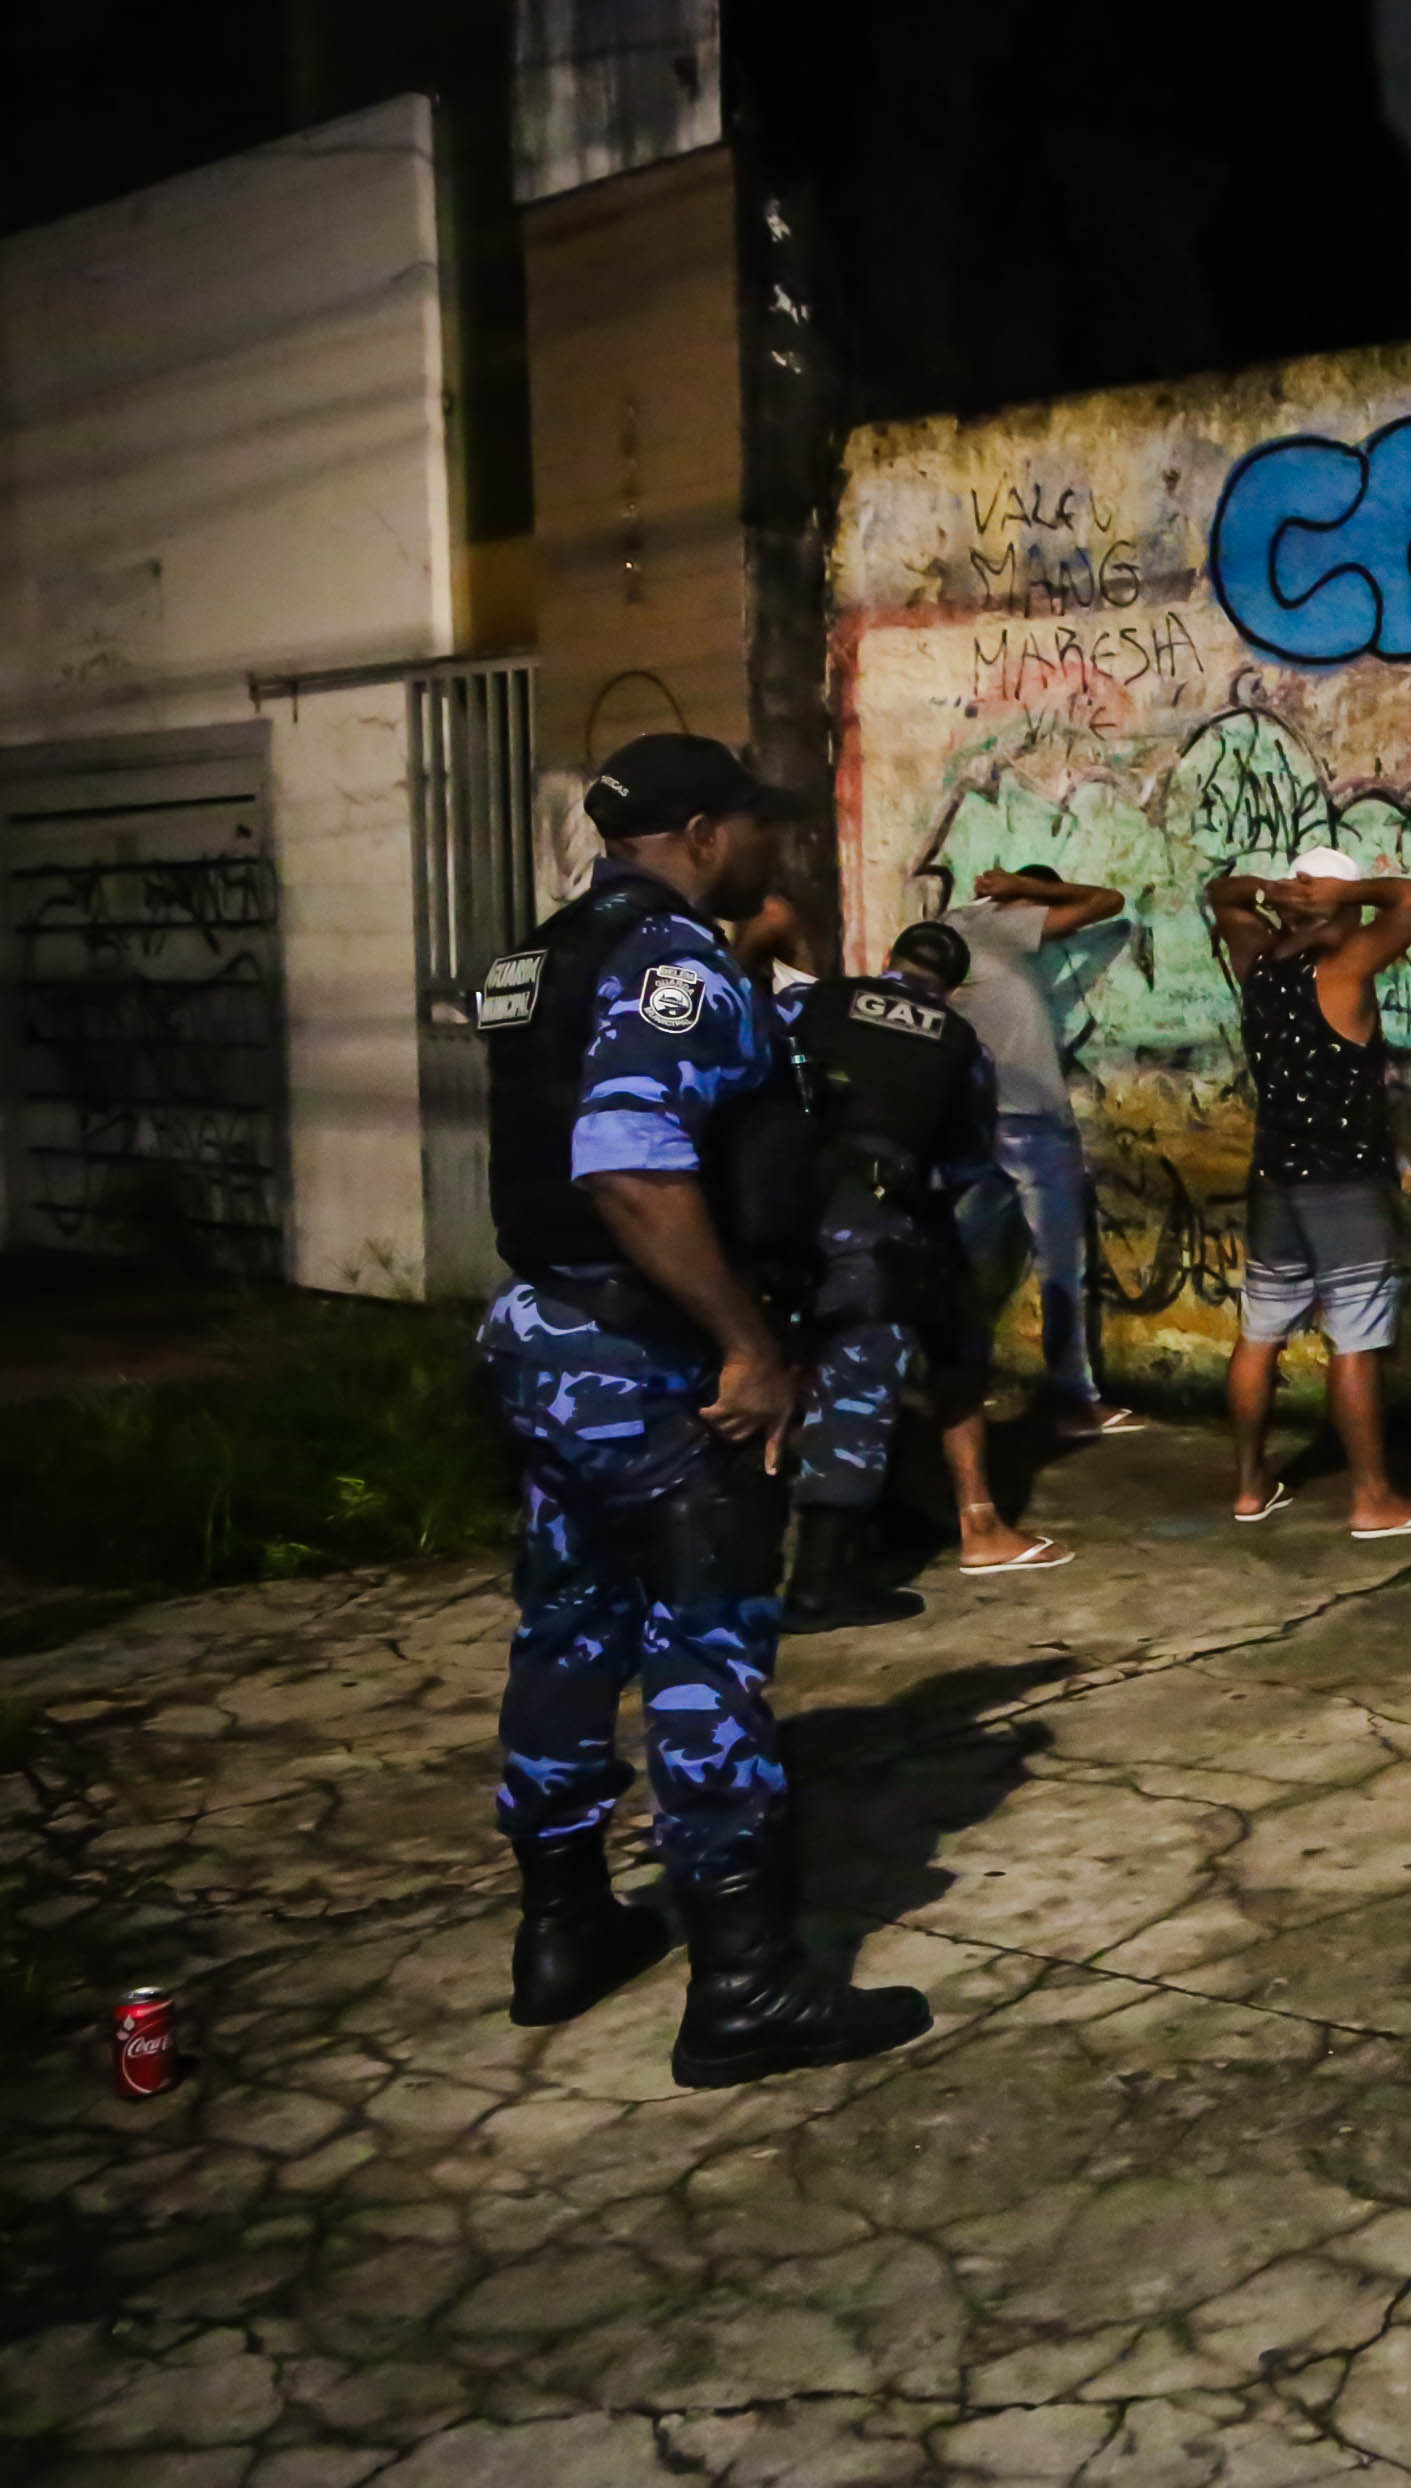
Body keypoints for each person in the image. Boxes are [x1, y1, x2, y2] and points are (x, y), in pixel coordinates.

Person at [470, 732, 929, 2087]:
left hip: (548, 1343)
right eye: (757, 825)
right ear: (708, 833)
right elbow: (627, 1161)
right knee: (706, 1647)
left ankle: (560, 1934)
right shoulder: (675, 967)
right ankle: (744, 1987)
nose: (773, 848)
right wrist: (748, 1346)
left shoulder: (533, 959)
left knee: (566, 1625)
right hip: (655, 1361)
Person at [778, 920, 1069, 1631]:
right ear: (954, 988)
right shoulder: (956, 1041)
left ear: (890, 962)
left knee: (772, 1369)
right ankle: (818, 1586)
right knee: (857, 1388)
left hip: (779, 1214)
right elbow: (965, 1159)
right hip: (871, 1226)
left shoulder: (814, 1002)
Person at [1210, 847, 1411, 1535]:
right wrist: (1340, 893)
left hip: (1274, 1176)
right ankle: (1373, 1497)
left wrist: (1272, 891)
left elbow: (1222, 895)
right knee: (1355, 1340)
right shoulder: (1344, 967)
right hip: (1344, 1182)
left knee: (1260, 1334)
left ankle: (1250, 1486)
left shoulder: (1258, 961)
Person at [945, 864, 1138, 1438]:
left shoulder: (951, 930)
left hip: (973, 1123)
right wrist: (1031, 893)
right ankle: (1071, 1399)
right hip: (1031, 1121)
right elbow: (1110, 898)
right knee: (1061, 1265)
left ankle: (946, 1388)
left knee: (961, 1264)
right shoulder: (1003, 926)